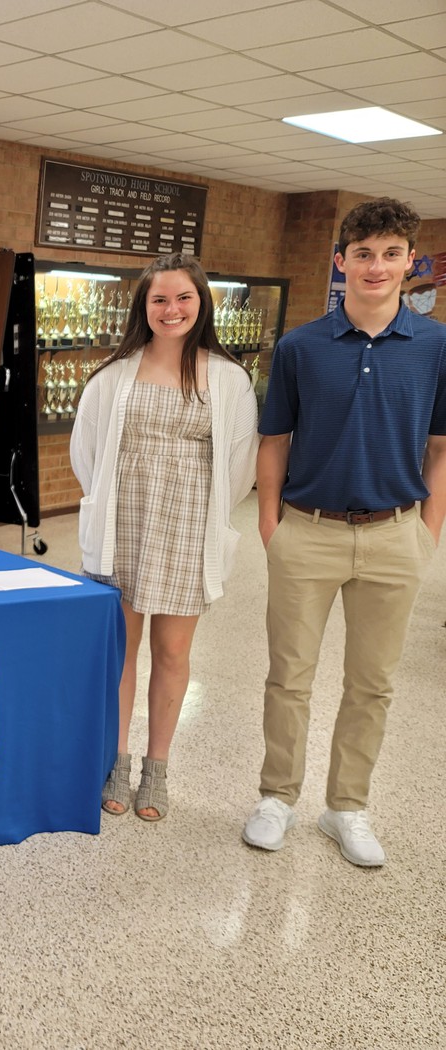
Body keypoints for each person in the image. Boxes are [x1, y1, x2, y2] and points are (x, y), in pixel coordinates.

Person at [242, 198, 446, 867]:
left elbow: (440, 447)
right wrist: (272, 526)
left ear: (410, 263)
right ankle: (277, 796)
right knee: (289, 677)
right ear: (342, 262)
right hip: (308, 530)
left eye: (391, 254)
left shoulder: (436, 346)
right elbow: (274, 440)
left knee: (373, 683)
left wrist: (427, 532)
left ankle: (347, 808)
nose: (377, 266)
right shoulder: (301, 347)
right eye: (363, 254)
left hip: (395, 535)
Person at [71, 254, 259, 822]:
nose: (171, 309)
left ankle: (158, 768)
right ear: (144, 307)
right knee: (120, 651)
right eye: (159, 300)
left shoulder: (228, 378)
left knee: (173, 652)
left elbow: (239, 463)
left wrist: (201, 511)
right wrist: (111, 500)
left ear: (202, 304)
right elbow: (87, 453)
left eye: (183, 299)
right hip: (122, 527)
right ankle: (118, 762)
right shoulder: (113, 375)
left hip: (186, 529)